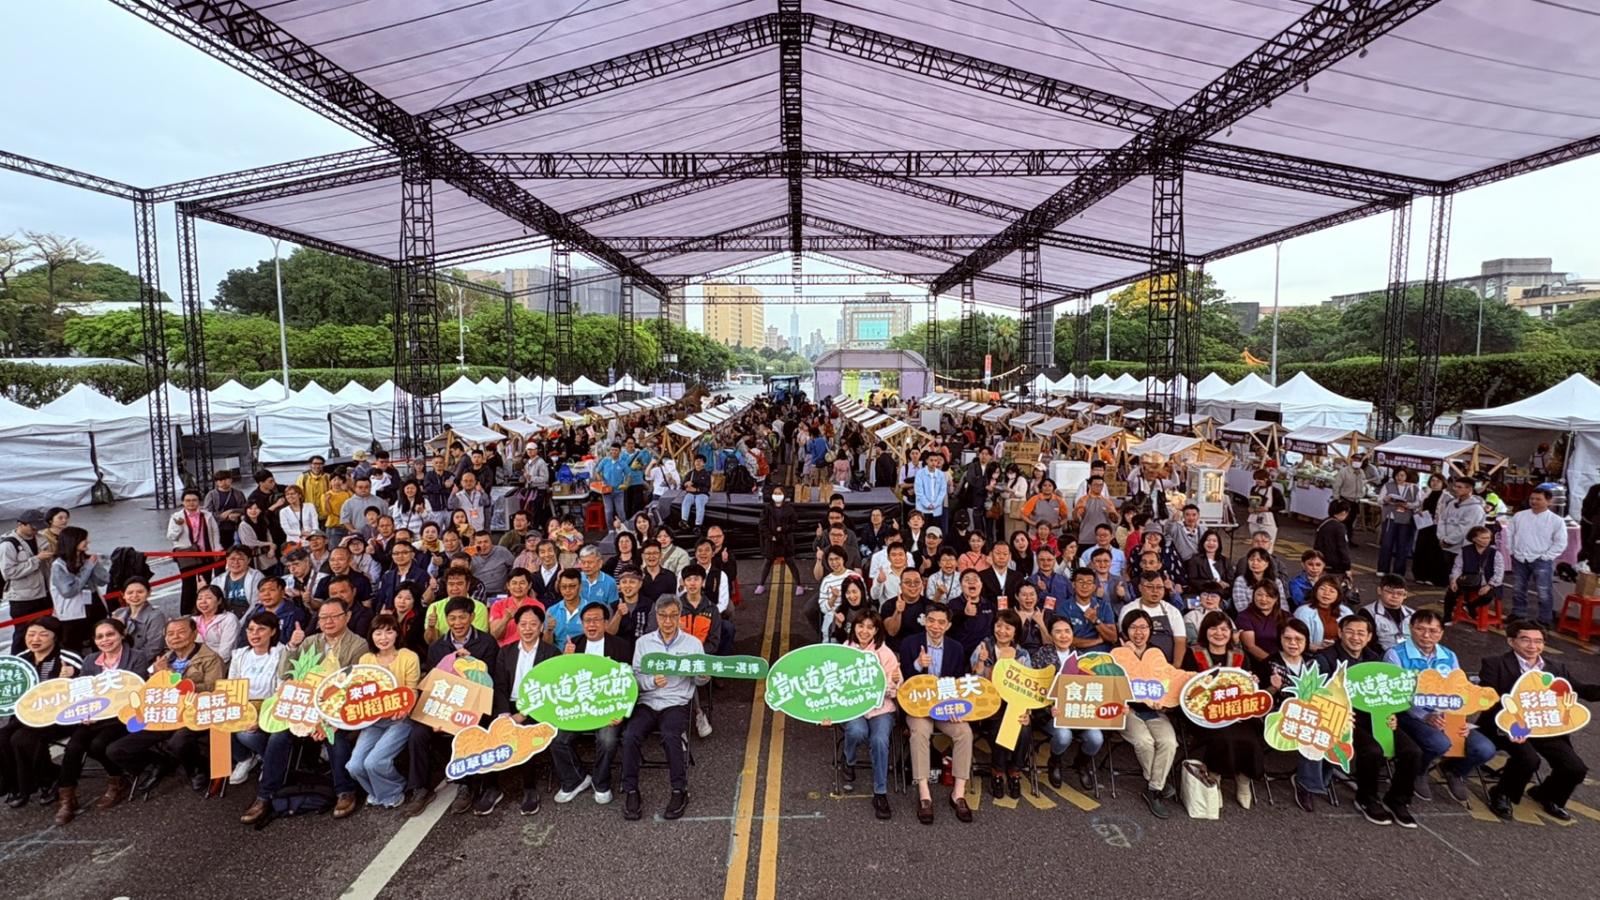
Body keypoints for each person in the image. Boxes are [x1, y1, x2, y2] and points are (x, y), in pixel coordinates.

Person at [238, 596, 368, 824]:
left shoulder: (358, 645)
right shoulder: (310, 641)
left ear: (347, 616)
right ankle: (265, 795)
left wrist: (326, 718)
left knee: (335, 738)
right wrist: (292, 646)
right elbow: (285, 674)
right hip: (304, 707)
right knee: (278, 737)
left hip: (335, 709)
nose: (328, 622)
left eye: (334, 616)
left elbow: (355, 684)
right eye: (323, 617)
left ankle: (345, 791)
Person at [1479, 620, 1600, 821]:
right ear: (1511, 641)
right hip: (1509, 726)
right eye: (1525, 640)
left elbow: (1580, 689)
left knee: (1574, 768)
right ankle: (1501, 793)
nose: (1532, 646)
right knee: (1528, 759)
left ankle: (1548, 795)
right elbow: (1487, 699)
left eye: (1538, 641)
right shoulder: (1494, 664)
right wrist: (1513, 719)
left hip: (1544, 726)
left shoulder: (1555, 668)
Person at [1312, 614, 1421, 827]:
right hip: (1343, 719)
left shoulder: (1375, 659)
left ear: (1369, 636)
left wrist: (1392, 714)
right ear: (1340, 633)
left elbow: (1390, 692)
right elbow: (1317, 694)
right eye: (1350, 632)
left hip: (1377, 716)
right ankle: (1366, 798)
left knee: (1412, 751)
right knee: (1372, 751)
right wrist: (1338, 714)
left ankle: (1397, 799)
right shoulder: (1325, 658)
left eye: (1361, 633)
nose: (1356, 637)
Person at [400, 598, 501, 818]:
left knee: (466, 729)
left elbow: (490, 683)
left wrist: (472, 665)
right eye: (452, 618)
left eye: (462, 617)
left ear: (472, 617)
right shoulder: (437, 646)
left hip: (475, 706)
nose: (457, 623)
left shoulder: (486, 642)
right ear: (446, 620)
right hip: (445, 706)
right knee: (418, 733)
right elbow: (435, 684)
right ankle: (420, 788)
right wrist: (437, 717)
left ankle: (466, 784)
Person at [1382, 610, 1494, 803]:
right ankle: (1419, 771)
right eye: (1420, 629)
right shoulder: (1395, 654)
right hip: (1409, 713)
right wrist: (1424, 716)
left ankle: (1454, 770)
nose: (1426, 635)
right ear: (1411, 629)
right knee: (1439, 743)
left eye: (1433, 631)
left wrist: (1460, 720)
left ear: (1441, 633)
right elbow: (1395, 694)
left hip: (1445, 713)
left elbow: (1458, 690)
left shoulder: (1448, 655)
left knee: (1484, 749)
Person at [107, 618, 224, 797]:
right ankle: (160, 763)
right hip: (163, 714)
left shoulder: (210, 658)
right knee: (116, 750)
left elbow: (214, 688)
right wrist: (154, 675)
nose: (175, 637)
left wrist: (173, 678)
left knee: (178, 742)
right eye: (170, 634)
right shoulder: (165, 658)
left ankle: (197, 767)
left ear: (194, 634)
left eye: (181, 632)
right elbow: (149, 691)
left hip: (193, 714)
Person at [55, 618, 150, 823]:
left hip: (122, 714)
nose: (105, 640)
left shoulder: (137, 657)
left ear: (122, 635)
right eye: (99, 637)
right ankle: (67, 800)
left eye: (110, 634)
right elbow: (84, 691)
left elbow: (136, 690)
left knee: (98, 745)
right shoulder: (90, 660)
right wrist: (84, 714)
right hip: (94, 716)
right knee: (73, 747)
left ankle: (117, 781)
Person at [621, 595, 701, 821]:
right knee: (630, 736)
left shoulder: (693, 644)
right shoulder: (643, 642)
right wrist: (651, 682)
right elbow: (635, 678)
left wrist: (703, 676)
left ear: (680, 616)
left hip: (676, 702)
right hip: (647, 701)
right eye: (663, 616)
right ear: (656, 616)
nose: (668, 621)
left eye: (673, 616)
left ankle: (679, 790)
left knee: (670, 735)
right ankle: (631, 790)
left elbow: (698, 680)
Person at [899, 603, 973, 825]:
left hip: (944, 706)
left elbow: (958, 683)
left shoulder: (956, 648)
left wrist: (957, 708)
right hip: (918, 706)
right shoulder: (910, 643)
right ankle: (924, 794)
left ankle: (958, 793)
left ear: (948, 625)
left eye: (941, 622)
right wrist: (917, 664)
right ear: (924, 621)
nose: (935, 626)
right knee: (920, 732)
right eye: (931, 620)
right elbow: (902, 682)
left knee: (964, 732)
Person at [1183, 612, 1266, 809]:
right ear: (1205, 631)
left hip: (1236, 713)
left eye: (1224, 629)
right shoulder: (1193, 653)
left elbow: (1247, 688)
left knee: (1250, 738)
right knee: (1223, 737)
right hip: (1204, 715)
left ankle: (1244, 780)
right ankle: (1215, 778)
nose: (1219, 633)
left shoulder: (1239, 655)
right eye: (1213, 628)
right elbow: (1187, 687)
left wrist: (1252, 681)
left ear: (1231, 632)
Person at [551, 603, 630, 808]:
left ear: (606, 623)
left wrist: (622, 711)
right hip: (578, 708)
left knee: (608, 739)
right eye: (587, 621)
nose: (592, 625)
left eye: (596, 620)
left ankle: (600, 782)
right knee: (556, 737)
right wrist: (565, 660)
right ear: (582, 623)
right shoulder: (573, 644)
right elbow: (560, 683)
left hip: (607, 708)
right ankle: (576, 778)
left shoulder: (621, 646)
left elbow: (629, 683)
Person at [487, 603, 560, 815]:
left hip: (537, 706)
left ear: (541, 627)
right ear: (517, 626)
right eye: (523, 624)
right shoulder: (505, 651)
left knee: (525, 734)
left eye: (533, 624)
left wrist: (522, 714)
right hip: (507, 704)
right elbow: (500, 685)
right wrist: (504, 714)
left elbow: (549, 690)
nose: (528, 629)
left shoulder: (551, 653)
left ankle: (529, 788)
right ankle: (492, 788)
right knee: (490, 731)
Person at [0, 617, 81, 807]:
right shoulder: (21, 659)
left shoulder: (68, 657)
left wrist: (72, 676)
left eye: (43, 634)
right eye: (31, 634)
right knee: (2, 737)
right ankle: (16, 785)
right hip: (28, 715)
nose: (36, 639)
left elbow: (86, 683)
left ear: (55, 637)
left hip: (60, 715)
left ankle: (48, 780)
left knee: (22, 739)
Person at [345, 613, 421, 809]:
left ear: (397, 634)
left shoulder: (408, 656)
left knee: (375, 762)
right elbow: (359, 692)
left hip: (400, 719)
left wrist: (405, 708)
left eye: (389, 632)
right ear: (371, 636)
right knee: (354, 766)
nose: (383, 638)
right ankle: (378, 791)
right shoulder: (366, 659)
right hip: (374, 721)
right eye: (378, 633)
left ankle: (393, 791)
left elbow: (412, 689)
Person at [833, 609, 900, 819]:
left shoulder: (885, 653)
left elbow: (896, 690)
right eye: (860, 626)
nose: (864, 631)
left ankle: (880, 792)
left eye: (870, 627)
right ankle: (849, 758)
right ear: (854, 627)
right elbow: (834, 684)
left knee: (880, 740)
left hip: (881, 708)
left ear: (876, 631)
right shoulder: (845, 650)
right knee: (856, 731)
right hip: (853, 707)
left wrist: (892, 683)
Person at [1118, 611, 1180, 818]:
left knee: (1169, 742)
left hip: (1154, 710)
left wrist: (1165, 702)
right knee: (1144, 741)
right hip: (1127, 710)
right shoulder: (1117, 654)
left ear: (1150, 630)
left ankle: (1153, 787)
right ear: (1125, 631)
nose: (1139, 632)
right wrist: (1127, 655)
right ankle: (1157, 788)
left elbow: (1169, 681)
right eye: (1133, 627)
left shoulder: (1156, 653)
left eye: (1143, 627)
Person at [970, 610, 1035, 799]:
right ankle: (997, 771)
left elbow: (1029, 688)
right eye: (998, 626)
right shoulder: (984, 647)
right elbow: (974, 683)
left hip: (1014, 705)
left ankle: (1015, 770)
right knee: (999, 726)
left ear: (1015, 631)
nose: (1002, 631)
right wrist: (980, 663)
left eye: (1008, 627)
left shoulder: (1022, 654)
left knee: (1024, 728)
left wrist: (1027, 711)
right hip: (989, 704)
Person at [227, 611, 285, 786]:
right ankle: (245, 758)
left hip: (270, 707)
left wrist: (259, 719)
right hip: (245, 707)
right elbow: (232, 686)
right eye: (251, 629)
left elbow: (281, 690)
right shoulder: (240, 655)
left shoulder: (281, 653)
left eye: (261, 629)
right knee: (217, 724)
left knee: (247, 735)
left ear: (273, 631)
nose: (255, 634)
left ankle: (269, 760)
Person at [1505, 487, 1568, 627]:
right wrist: (1512, 550)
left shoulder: (1556, 521)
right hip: (1520, 558)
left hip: (1541, 560)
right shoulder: (1519, 516)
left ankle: (1544, 619)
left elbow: (1561, 542)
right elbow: (1510, 534)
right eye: (1532, 498)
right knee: (1518, 589)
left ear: (1549, 501)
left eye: (1538, 499)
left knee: (1543, 591)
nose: (1534, 501)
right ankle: (1518, 613)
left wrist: (1546, 557)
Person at [1, 509, 54, 653]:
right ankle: (17, 660)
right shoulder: (8, 545)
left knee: (46, 630)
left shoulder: (41, 539)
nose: (36, 530)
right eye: (33, 527)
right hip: (22, 598)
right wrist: (36, 560)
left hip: (44, 593)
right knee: (23, 633)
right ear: (20, 524)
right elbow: (9, 572)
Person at [48, 525, 107, 651]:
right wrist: (87, 568)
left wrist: (95, 566)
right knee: (74, 648)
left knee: (100, 645)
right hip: (73, 614)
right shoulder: (59, 565)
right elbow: (69, 591)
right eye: (84, 539)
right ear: (73, 541)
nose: (88, 541)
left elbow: (104, 581)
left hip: (95, 606)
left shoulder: (87, 559)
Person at [166, 489, 221, 616]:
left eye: (194, 500)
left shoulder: (207, 515)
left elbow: (214, 532)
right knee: (188, 585)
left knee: (205, 583)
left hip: (205, 553)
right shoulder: (177, 517)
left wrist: (217, 549)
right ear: (183, 502)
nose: (191, 503)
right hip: (187, 555)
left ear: (199, 501)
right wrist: (179, 526)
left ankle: (203, 611)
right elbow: (171, 537)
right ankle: (185, 614)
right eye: (188, 501)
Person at [1443, 525, 1503, 625]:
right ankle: (1447, 616)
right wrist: (1454, 579)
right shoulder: (1465, 551)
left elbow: (1499, 572)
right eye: (1483, 538)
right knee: (1451, 591)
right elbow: (1457, 567)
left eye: (1488, 538)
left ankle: (1470, 606)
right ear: (1474, 539)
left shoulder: (1495, 554)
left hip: (1487, 582)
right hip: (1469, 581)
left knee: (1488, 596)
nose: (1486, 540)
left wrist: (1489, 585)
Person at [754, 487, 804, 596]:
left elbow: (795, 524)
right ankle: (761, 585)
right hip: (772, 541)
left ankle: (799, 585)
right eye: (775, 493)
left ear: (784, 495)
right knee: (768, 562)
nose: (777, 495)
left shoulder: (789, 509)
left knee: (790, 562)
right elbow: (762, 524)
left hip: (785, 541)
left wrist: (784, 528)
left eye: (779, 493)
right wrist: (769, 536)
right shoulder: (767, 509)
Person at [1435, 476, 1486, 584]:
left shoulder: (1475, 508)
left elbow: (1465, 529)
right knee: (1446, 576)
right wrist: (1442, 537)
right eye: (1455, 486)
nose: (1455, 489)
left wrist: (1449, 540)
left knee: (1458, 578)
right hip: (1446, 546)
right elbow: (1442, 520)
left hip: (1462, 548)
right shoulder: (1452, 503)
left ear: (1469, 489)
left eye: (1459, 487)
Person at [1292, 575, 1354, 653]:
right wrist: (1320, 649)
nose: (1326, 593)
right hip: (1313, 654)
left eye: (1332, 591)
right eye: (1322, 589)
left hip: (1342, 652)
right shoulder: (1302, 612)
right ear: (1315, 591)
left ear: (1338, 595)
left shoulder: (1346, 611)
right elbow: (1297, 640)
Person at [111, 577, 170, 657]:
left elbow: (154, 648)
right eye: (130, 593)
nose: (135, 596)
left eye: (140, 592)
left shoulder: (156, 616)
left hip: (143, 660)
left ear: (149, 593)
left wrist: (130, 661)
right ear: (123, 595)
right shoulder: (118, 613)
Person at [1376, 468, 1419, 578]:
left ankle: (1399, 571)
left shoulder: (1413, 488)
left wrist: (1408, 505)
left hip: (1405, 519)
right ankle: (1382, 568)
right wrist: (1386, 499)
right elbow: (1379, 500)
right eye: (1397, 475)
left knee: (1402, 546)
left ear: (1407, 476)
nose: (1399, 478)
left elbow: (1418, 503)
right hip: (1390, 517)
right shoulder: (1388, 485)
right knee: (1386, 544)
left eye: (1402, 475)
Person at [1237, 581, 1289, 663]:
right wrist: (1274, 663)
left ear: (1276, 598)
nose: (1263, 599)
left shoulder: (1286, 616)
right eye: (1259, 595)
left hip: (1285, 659)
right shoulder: (1244, 616)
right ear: (1253, 596)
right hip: (1257, 662)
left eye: (1268, 596)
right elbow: (1250, 646)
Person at [1364, 574, 1415, 652]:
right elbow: (1369, 644)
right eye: (1390, 592)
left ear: (1405, 595)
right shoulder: (1368, 612)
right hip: (1383, 656)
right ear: (1379, 591)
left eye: (1399, 593)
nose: (1395, 596)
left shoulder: (1412, 614)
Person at [193, 584, 240, 664]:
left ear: (219, 601)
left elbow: (225, 653)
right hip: (196, 663)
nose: (203, 601)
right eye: (199, 598)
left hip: (221, 664)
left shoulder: (229, 619)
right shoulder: (193, 620)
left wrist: (209, 666)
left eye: (208, 598)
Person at [1231, 548, 1286, 616]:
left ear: (1267, 563)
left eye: (1259, 560)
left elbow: (1282, 603)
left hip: (1274, 616)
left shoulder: (1277, 582)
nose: (1255, 563)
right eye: (1251, 560)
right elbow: (1241, 605)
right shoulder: (1240, 580)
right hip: (1249, 617)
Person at [204, 469, 248, 549]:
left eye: (226, 479)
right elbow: (207, 513)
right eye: (220, 480)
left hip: (236, 526)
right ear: (216, 482)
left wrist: (233, 511)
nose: (223, 482)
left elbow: (246, 508)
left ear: (231, 480)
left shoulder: (238, 493)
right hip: (219, 527)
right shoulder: (211, 495)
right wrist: (224, 517)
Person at [1331, 454, 1369, 544]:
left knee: (1351, 522)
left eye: (1359, 460)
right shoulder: (1344, 472)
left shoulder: (1361, 472)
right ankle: (1338, 540)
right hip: (1345, 499)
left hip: (1355, 501)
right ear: (1351, 460)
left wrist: (1363, 493)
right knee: (1342, 521)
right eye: (1355, 460)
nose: (1357, 462)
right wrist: (1336, 499)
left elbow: (1363, 484)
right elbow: (1336, 486)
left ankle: (1348, 540)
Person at [1247, 469, 1286, 549]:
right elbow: (1251, 502)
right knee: (1255, 544)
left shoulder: (1275, 491)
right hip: (1254, 520)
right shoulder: (1254, 489)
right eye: (1256, 479)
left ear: (1266, 479)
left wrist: (1268, 509)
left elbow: (1282, 506)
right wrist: (1250, 508)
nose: (1257, 481)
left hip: (1269, 521)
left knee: (1266, 544)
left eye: (1259, 479)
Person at [1074, 475, 1119, 546]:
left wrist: (1113, 513)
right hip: (1086, 539)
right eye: (1096, 485)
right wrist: (1077, 512)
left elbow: (1115, 520)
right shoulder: (1083, 500)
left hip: (1104, 540)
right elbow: (1076, 519)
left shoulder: (1107, 501)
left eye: (1101, 485)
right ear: (1089, 486)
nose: (1098, 487)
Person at [912, 451, 949, 537]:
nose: (934, 463)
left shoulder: (941, 474)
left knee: (935, 532)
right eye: (931, 460)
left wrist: (935, 504)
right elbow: (919, 491)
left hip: (936, 508)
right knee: (923, 532)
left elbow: (942, 491)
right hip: (922, 508)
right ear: (927, 461)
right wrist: (927, 504)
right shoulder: (920, 473)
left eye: (935, 460)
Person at [470, 531, 517, 595]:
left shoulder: (502, 551)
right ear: (474, 544)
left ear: (491, 542)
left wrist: (509, 582)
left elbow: (515, 568)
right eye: (479, 543)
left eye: (486, 542)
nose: (483, 545)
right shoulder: (469, 556)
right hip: (477, 592)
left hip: (501, 592)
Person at [1314, 500, 1353, 575]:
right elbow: (1343, 547)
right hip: (1335, 564)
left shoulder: (1323, 523)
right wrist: (1347, 566)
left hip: (1321, 559)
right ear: (1343, 512)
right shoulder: (1340, 527)